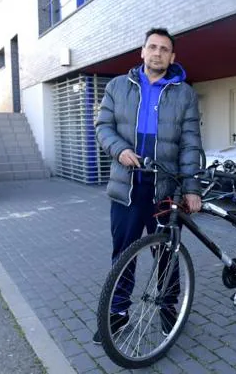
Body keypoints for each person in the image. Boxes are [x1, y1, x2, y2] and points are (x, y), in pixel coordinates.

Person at [92, 27, 202, 344]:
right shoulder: (117, 87)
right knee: (123, 253)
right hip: (126, 186)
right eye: (152, 47)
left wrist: (192, 188)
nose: (157, 53)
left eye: (164, 49)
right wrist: (119, 150)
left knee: (167, 253)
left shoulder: (185, 94)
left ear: (172, 56)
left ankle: (169, 308)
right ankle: (118, 312)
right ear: (142, 52)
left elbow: (190, 144)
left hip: (165, 188)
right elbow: (103, 127)